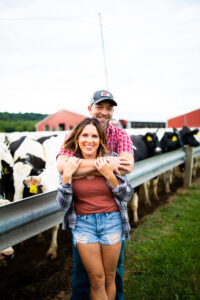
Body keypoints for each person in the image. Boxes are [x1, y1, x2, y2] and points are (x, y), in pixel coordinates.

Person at [57, 89, 134, 300]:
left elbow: (126, 167)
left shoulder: (120, 135)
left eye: (109, 108)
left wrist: (84, 168)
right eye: (99, 106)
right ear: (90, 109)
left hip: (112, 220)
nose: (104, 112)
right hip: (83, 222)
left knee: (112, 274)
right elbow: (62, 167)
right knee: (86, 274)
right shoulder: (74, 134)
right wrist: (106, 165)